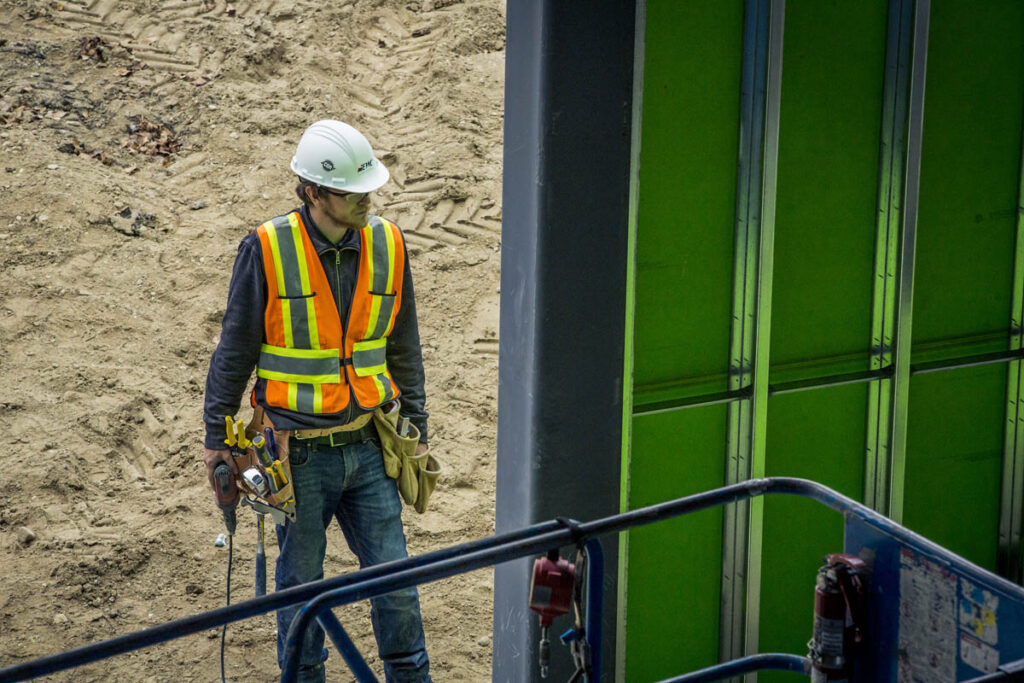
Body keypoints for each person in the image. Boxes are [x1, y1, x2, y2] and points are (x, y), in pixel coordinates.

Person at [202, 119, 431, 682]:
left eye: (368, 189)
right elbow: (234, 351)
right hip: (297, 455)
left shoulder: (388, 243)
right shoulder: (267, 248)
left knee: (395, 584)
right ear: (312, 192)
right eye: (352, 193)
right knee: (302, 590)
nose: (366, 200)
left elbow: (404, 344)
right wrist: (216, 439)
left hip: (372, 447)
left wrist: (417, 424)